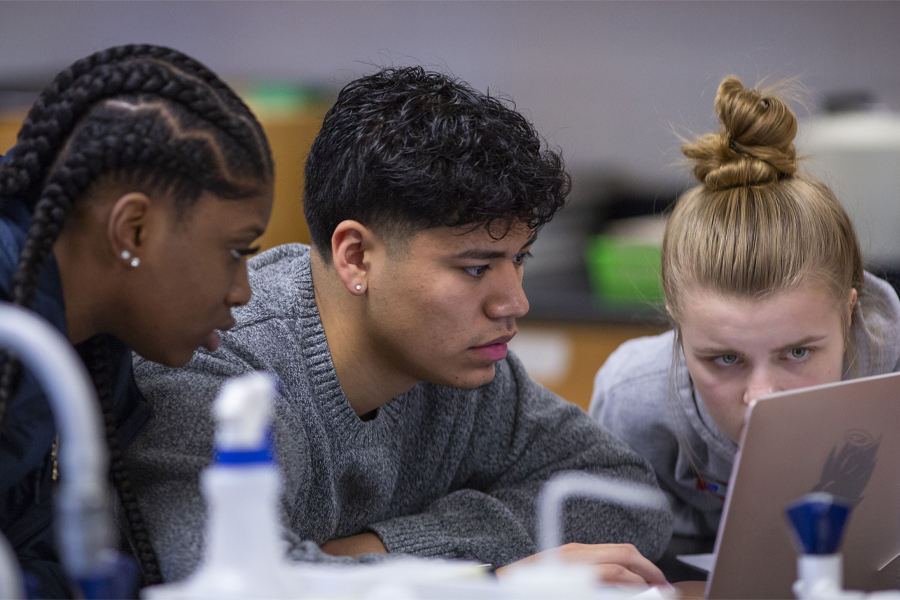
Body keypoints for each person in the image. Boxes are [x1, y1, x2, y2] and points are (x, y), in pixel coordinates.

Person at [126, 66, 674, 588]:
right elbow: (229, 582)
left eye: (520, 259)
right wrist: (486, 581)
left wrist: (381, 549)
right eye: (476, 268)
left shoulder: (464, 367)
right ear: (357, 257)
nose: (514, 302)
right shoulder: (218, 364)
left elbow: (626, 498)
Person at [0, 44, 274, 597]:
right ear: (134, 230)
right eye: (235, 251)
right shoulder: (20, 324)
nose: (244, 291)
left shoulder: (97, 342)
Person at [590, 76, 900, 553]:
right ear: (677, 324)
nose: (761, 399)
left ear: (849, 311)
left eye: (797, 352)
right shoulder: (635, 403)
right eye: (725, 360)